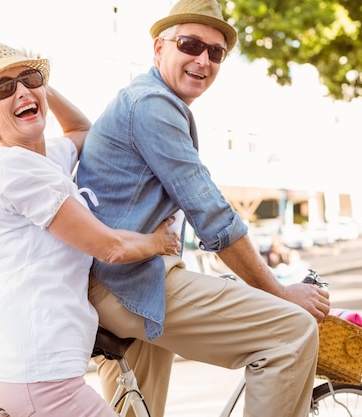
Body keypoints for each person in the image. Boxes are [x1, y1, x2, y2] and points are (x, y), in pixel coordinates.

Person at [75, 1, 331, 416]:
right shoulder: (152, 105)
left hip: (117, 281)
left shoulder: (139, 100)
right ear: (159, 49)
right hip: (130, 285)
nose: (203, 59)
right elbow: (212, 215)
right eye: (190, 44)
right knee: (291, 331)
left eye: (216, 52)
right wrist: (281, 292)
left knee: (139, 410)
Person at [0, 42, 181, 417]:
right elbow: (109, 247)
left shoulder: (48, 157)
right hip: (37, 369)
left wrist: (33, 86)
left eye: (28, 79)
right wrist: (158, 242)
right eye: (1, 89)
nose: (20, 91)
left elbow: (81, 129)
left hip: (25, 364)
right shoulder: (15, 168)